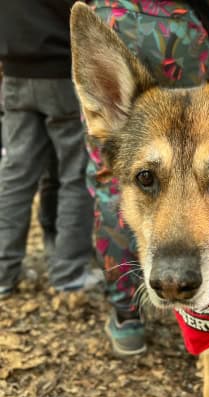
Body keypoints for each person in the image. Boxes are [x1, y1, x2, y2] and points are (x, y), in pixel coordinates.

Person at [85, 0, 209, 357]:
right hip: (182, 25)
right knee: (203, 155)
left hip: (112, 17)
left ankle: (127, 316)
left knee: (113, 176)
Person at [0, 0, 103, 298]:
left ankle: (3, 273)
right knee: (75, 175)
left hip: (15, 71)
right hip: (62, 73)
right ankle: (69, 274)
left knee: (15, 175)